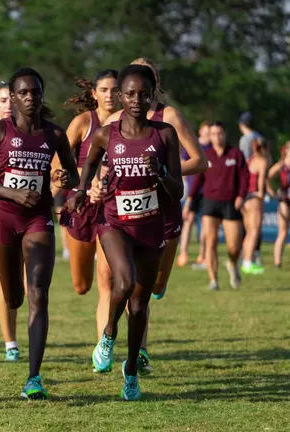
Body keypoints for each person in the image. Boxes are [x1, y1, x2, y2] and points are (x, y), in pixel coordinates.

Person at [66, 64, 183, 400]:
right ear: (120, 96)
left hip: (151, 225)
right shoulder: (107, 133)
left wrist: (160, 170)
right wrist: (81, 190)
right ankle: (108, 332)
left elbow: (177, 192)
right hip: (114, 222)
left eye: (143, 94)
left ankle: (131, 369)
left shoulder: (165, 135)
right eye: (130, 94)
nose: (136, 100)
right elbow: (87, 165)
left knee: (140, 304)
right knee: (124, 281)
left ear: (151, 97)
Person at [0, 68, 78, 400]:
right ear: (13, 98)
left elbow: (73, 176)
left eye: (36, 92)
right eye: (24, 92)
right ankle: (13, 308)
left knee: (38, 295)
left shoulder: (55, 135)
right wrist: (13, 194)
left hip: (38, 219)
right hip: (3, 220)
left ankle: (34, 376)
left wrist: (64, 177)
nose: (31, 97)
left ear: (42, 95)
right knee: (14, 297)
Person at [101, 58, 207, 374]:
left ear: (153, 83)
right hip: (119, 215)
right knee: (124, 283)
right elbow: (102, 165)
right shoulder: (115, 121)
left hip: (163, 212)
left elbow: (199, 161)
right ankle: (137, 350)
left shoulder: (169, 118)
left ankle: (137, 342)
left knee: (152, 287)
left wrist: (161, 172)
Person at [58, 70, 118, 339]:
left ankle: (103, 348)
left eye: (115, 90)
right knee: (82, 285)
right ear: (94, 94)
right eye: (104, 90)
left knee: (109, 281)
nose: (110, 95)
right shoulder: (83, 123)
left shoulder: (130, 125)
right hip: (82, 208)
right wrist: (87, 180)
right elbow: (58, 164)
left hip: (114, 211)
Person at [0, 81, 26, 361]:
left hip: (32, 217)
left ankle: (34, 335)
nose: (8, 104)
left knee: (30, 283)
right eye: (3, 100)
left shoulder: (34, 131)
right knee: (4, 283)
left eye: (12, 98)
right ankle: (10, 343)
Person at [186, 121, 248, 290]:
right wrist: (190, 199)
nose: (217, 137)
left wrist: (241, 196)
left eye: (219, 133)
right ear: (210, 136)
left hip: (231, 203)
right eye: (213, 134)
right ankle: (214, 280)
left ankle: (232, 264)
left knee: (234, 246)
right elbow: (198, 180)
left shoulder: (236, 154)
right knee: (210, 241)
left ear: (225, 134)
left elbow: (244, 178)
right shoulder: (206, 155)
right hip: (210, 203)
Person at [178, 121, 212, 268]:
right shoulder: (194, 144)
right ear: (200, 131)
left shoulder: (213, 147)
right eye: (207, 131)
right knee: (188, 220)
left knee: (206, 224)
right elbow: (182, 160)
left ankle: (203, 255)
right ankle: (183, 252)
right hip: (193, 189)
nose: (209, 134)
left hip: (208, 191)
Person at [241, 136, 269, 274]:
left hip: (245, 197)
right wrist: (261, 195)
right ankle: (248, 263)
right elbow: (261, 182)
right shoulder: (262, 162)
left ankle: (246, 260)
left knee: (248, 231)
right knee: (254, 231)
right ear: (264, 149)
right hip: (254, 198)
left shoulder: (249, 160)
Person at [268, 143, 290, 267]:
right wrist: (274, 191)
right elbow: (268, 176)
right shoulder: (281, 165)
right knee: (282, 232)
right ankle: (277, 262)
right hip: (285, 201)